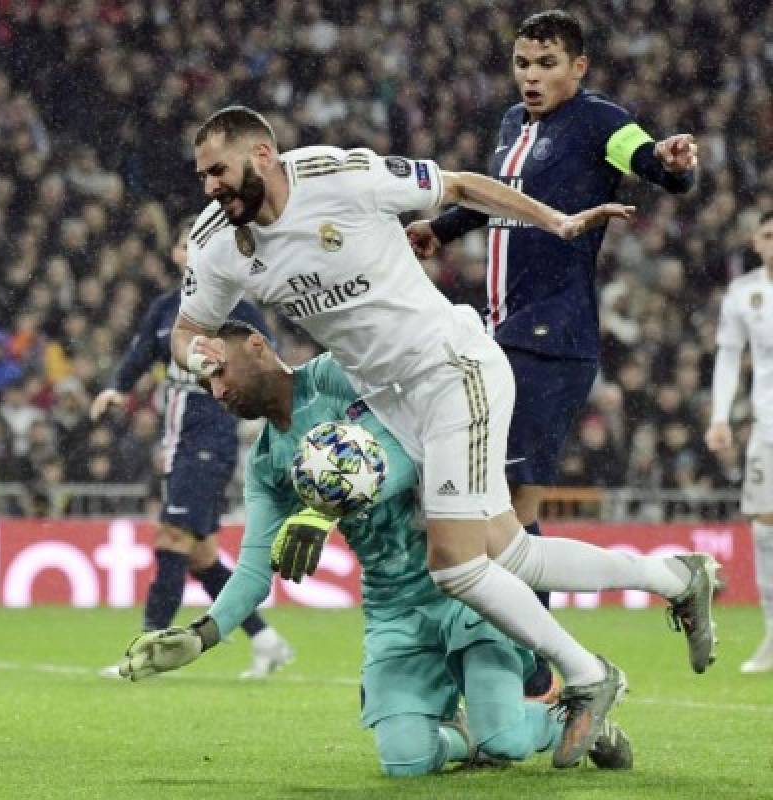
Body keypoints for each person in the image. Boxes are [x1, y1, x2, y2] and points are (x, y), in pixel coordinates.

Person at [170, 104, 720, 768]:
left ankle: (586, 676)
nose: (210, 188)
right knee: (509, 556)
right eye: (202, 176)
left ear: (261, 155)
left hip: (451, 366)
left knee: (455, 564)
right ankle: (675, 576)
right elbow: (185, 332)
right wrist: (196, 358)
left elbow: (458, 185)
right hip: (398, 400)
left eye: (218, 171)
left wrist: (556, 221)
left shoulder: (338, 177)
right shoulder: (217, 244)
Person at [117, 321, 632, 773]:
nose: (218, 388)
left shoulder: (336, 376)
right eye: (207, 383)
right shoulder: (268, 464)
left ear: (257, 346)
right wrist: (200, 636)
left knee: (509, 740)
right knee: (404, 762)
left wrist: (327, 507)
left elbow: (416, 444)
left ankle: (568, 714)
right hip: (393, 608)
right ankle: (464, 736)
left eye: (221, 372)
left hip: (462, 577)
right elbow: (254, 571)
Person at [404, 10, 698, 699]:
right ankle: (536, 664)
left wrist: (673, 167)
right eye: (522, 64)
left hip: (553, 339)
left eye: (545, 65)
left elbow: (650, 160)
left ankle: (542, 674)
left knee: (512, 510)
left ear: (580, 67)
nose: (530, 77)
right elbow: (499, 199)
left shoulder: (601, 120)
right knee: (493, 514)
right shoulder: (513, 124)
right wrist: (442, 228)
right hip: (501, 332)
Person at [92, 221, 292, 679]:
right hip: (179, 439)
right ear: (177, 255)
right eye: (183, 244)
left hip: (212, 437)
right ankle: (266, 640)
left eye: (195, 244)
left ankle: (146, 651)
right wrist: (116, 389)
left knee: (172, 538)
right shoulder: (166, 310)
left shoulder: (238, 310)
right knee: (200, 554)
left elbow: (270, 363)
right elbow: (142, 353)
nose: (188, 251)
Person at [706, 211, 773, 674]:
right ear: (755, 240)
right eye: (769, 235)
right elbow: (729, 359)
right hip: (768, 427)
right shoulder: (744, 294)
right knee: (765, 529)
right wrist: (719, 416)